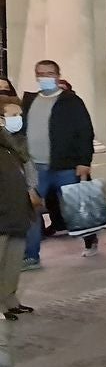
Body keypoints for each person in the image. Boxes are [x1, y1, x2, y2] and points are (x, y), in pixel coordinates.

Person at [21, 60, 98, 267]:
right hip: (35, 167)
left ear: (57, 75)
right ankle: (31, 255)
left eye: (50, 73)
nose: (45, 77)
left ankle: (90, 239)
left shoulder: (71, 101)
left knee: (77, 207)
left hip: (65, 165)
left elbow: (84, 132)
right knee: (31, 209)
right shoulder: (29, 100)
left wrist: (84, 161)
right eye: (41, 73)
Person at [1, 96, 38, 318]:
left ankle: (9, 299)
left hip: (18, 207)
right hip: (3, 209)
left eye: (19, 115)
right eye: (12, 115)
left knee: (13, 258)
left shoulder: (16, 144)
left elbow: (27, 169)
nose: (18, 119)